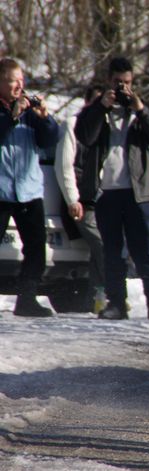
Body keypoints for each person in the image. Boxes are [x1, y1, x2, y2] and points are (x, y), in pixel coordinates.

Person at [74, 56, 149, 320]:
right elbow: (85, 136)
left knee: (147, 250)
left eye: (127, 83)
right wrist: (100, 108)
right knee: (113, 252)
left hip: (139, 193)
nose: (122, 88)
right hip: (106, 192)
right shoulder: (96, 110)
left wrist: (141, 109)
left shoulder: (139, 111)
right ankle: (117, 303)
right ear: (109, 81)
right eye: (118, 82)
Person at [0, 58, 60, 317]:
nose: (19, 86)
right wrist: (12, 116)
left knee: (36, 248)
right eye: (14, 80)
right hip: (1, 191)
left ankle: (27, 298)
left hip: (28, 190)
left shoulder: (28, 110)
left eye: (22, 81)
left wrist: (44, 117)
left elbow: (50, 140)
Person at [54, 84, 107, 313]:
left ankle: (96, 297)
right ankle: (110, 292)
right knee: (102, 244)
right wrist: (72, 199)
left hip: (103, 200)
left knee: (101, 248)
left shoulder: (109, 129)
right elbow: (64, 165)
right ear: (87, 103)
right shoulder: (72, 124)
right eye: (95, 103)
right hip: (80, 202)